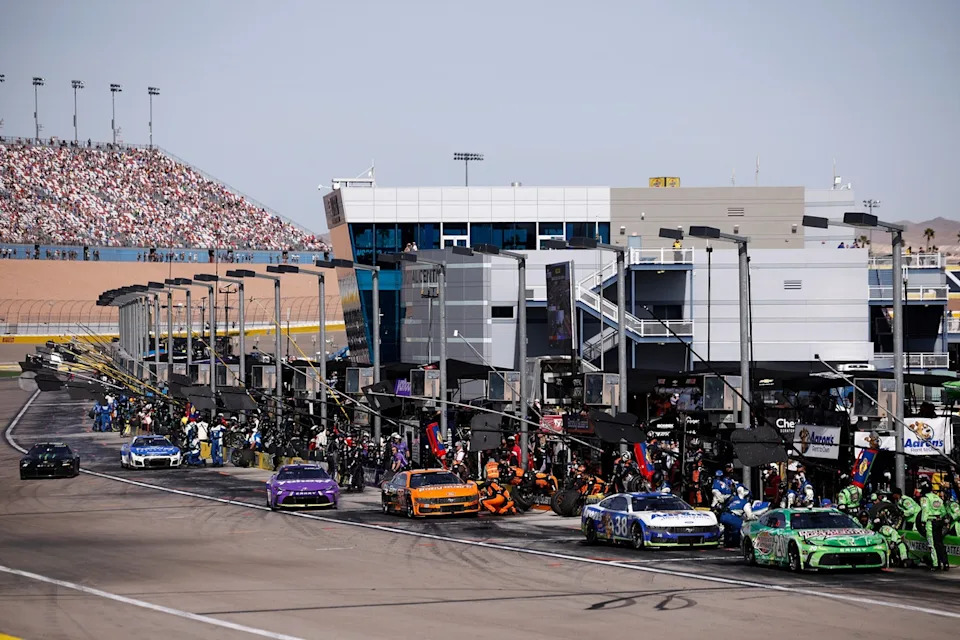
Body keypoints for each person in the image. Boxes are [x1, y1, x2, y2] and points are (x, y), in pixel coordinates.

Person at [919, 478, 949, 571]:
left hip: (930, 522)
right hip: (939, 522)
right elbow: (943, 511)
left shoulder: (925, 498)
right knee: (939, 543)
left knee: (932, 543)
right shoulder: (937, 498)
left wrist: (923, 522)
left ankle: (935, 564)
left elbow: (925, 510)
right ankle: (945, 563)